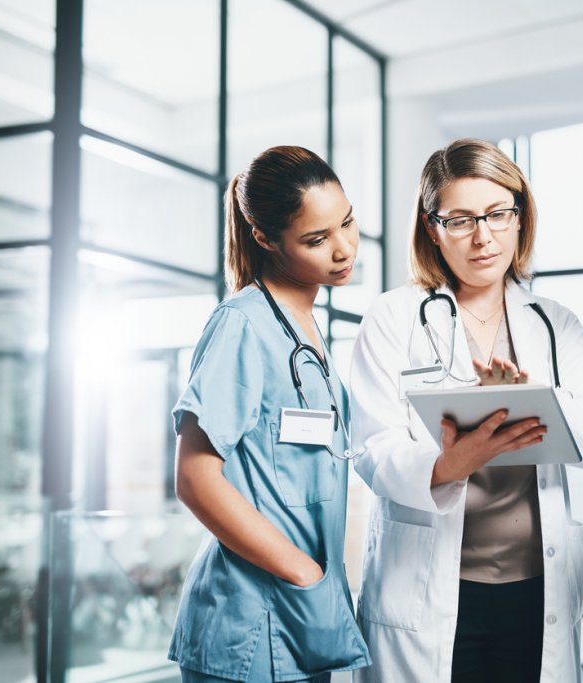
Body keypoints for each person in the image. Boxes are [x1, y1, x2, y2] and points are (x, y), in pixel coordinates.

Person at [348, 138, 583, 682]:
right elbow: (373, 448)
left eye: (498, 213)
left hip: (534, 590)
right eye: (460, 219)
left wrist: (536, 398)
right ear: (431, 227)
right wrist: (452, 463)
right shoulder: (393, 318)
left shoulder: (555, 323)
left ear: (520, 216)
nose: (483, 235)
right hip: (429, 591)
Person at [168, 146, 370, 683]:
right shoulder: (242, 324)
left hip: (302, 619)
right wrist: (303, 573)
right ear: (264, 238)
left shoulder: (304, 327)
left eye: (347, 222)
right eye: (316, 239)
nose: (343, 248)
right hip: (252, 619)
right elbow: (194, 478)